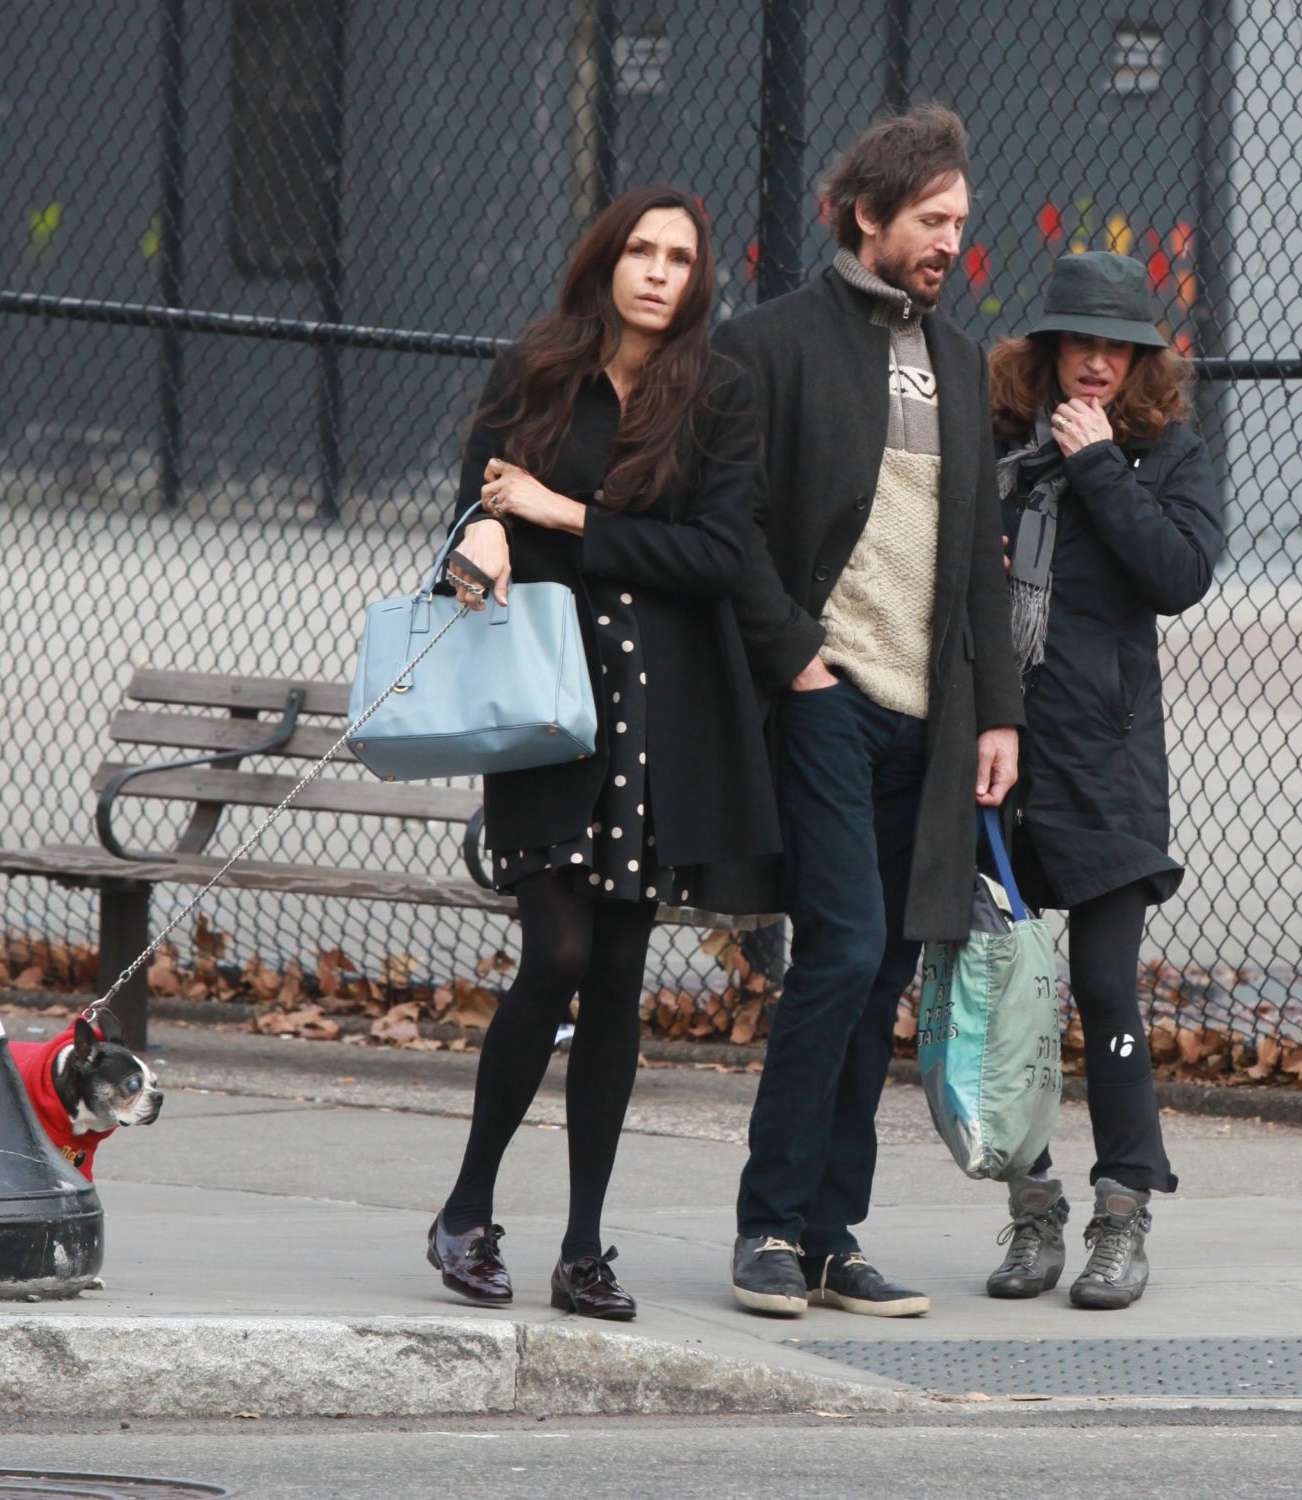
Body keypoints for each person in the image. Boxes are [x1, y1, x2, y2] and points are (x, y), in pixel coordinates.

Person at [427, 185, 778, 1321]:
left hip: (658, 713)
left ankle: (583, 1245)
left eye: (680, 257)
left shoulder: (716, 394)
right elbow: (474, 508)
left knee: (620, 976)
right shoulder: (534, 368)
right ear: (606, 259)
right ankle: (467, 1210)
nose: (659, 272)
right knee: (559, 953)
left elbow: (718, 554)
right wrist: (481, 529)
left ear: (698, 279)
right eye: (641, 249)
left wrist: (559, 515)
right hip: (547, 703)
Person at [713, 105, 1024, 1318]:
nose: (951, 242)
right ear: (866, 217)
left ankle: (832, 1234)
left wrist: (996, 713)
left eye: (960, 223)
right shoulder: (768, 345)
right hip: (826, 698)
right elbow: (731, 525)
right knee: (837, 953)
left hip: (931, 720)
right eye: (932, 221)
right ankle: (768, 1227)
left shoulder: (956, 359)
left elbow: (976, 563)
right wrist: (797, 658)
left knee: (884, 967)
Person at [984, 250, 1224, 1309]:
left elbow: (1177, 577)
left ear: (1138, 360)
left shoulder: (1164, 454)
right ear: (1046, 351)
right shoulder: (995, 449)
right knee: (1004, 1002)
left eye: (1114, 348)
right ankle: (1030, 1212)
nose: (1094, 364)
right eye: (1076, 343)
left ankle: (1121, 1212)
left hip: (1105, 763)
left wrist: (1098, 471)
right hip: (997, 753)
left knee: (1102, 985)